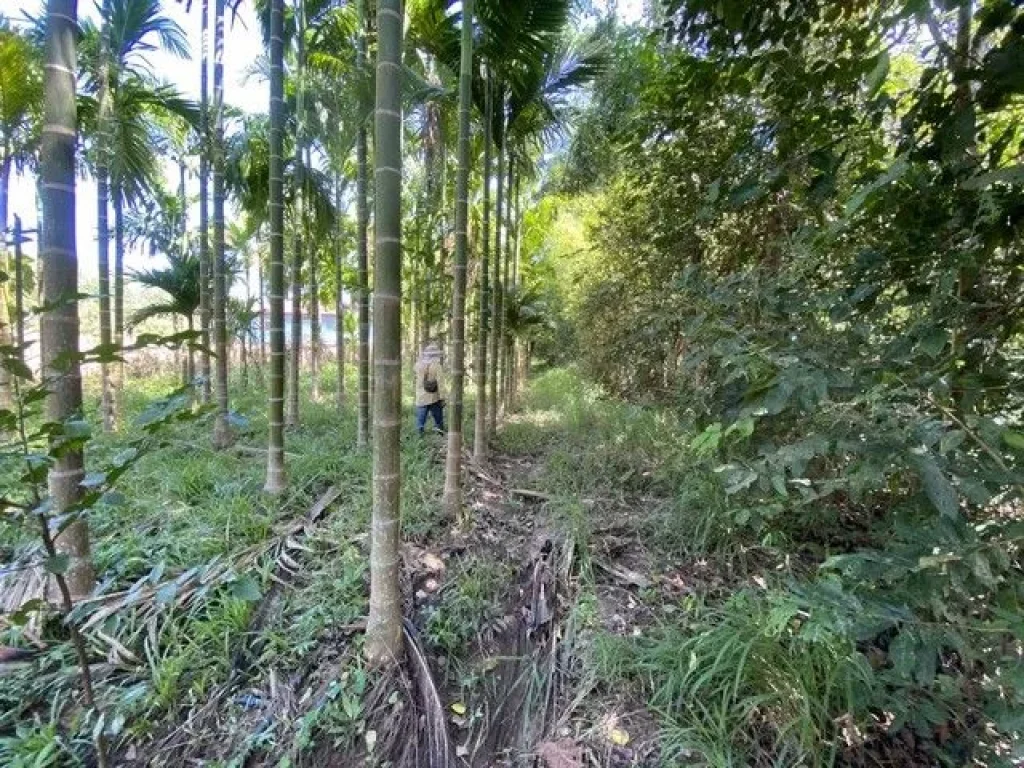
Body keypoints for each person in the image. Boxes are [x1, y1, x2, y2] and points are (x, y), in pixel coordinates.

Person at [414, 341, 445, 435]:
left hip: (421, 395)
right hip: (434, 396)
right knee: (438, 417)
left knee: (421, 417)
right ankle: (439, 431)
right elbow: (441, 382)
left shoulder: (418, 365)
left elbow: (415, 373)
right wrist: (443, 397)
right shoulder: (437, 366)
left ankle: (419, 433)